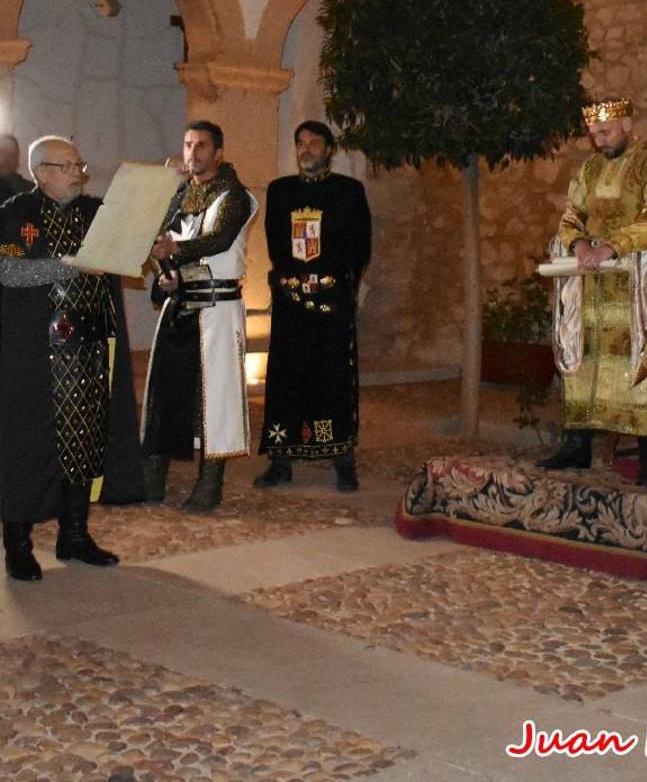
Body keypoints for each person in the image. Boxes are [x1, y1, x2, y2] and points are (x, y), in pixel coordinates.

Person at [538, 97, 647, 487]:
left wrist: (613, 246)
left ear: (628, 125)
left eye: (606, 132)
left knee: (639, 359)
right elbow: (572, 215)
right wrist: (580, 245)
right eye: (594, 134)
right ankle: (578, 445)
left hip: (635, 281)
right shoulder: (589, 168)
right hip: (592, 281)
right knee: (585, 357)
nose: (599, 141)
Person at [0, 136, 127, 580]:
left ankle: (74, 535)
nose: (78, 173)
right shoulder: (15, 213)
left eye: (80, 164)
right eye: (67, 165)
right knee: (27, 449)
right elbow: (8, 271)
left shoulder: (95, 214)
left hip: (87, 350)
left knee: (83, 443)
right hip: (35, 352)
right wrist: (68, 265)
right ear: (41, 172)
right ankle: (17, 545)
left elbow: (128, 245)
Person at [141, 121, 258, 513]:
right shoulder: (180, 195)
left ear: (218, 152)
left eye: (202, 145)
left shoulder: (235, 196)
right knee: (166, 391)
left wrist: (173, 249)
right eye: (188, 144)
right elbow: (159, 243)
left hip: (218, 312)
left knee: (216, 400)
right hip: (180, 308)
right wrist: (166, 275)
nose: (193, 152)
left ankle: (210, 487)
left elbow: (219, 239)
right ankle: (151, 480)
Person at [254, 121, 371, 491]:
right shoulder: (281, 191)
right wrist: (295, 281)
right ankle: (281, 459)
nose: (306, 149)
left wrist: (335, 284)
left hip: (331, 304)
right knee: (288, 380)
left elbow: (360, 246)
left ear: (329, 149)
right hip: (291, 303)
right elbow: (276, 242)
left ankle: (340, 457)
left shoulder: (348, 191)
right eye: (300, 143)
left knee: (331, 380)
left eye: (314, 142)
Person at [0, 133, 30, 200]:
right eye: (0, 152)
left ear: (17, 157)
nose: (4, 158)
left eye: (10, 154)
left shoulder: (30, 192)